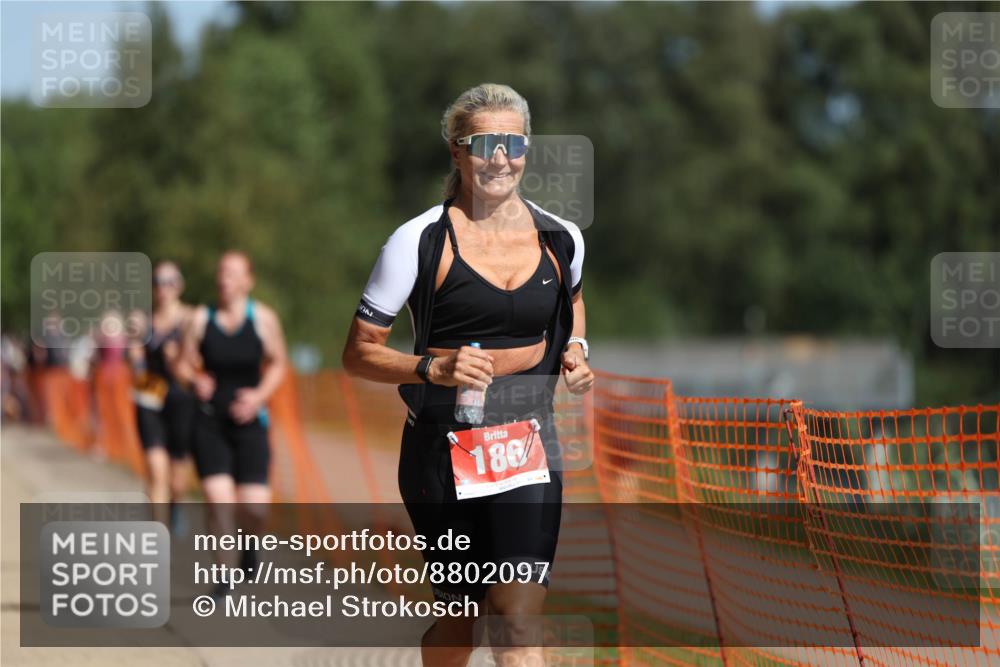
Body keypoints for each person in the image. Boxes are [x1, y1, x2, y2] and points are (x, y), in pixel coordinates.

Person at [342, 83, 593, 667]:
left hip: (527, 449)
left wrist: (575, 348)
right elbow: (357, 353)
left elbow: (573, 300)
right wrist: (433, 366)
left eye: (512, 142)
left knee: (518, 620)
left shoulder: (561, 238)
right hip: (441, 452)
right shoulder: (418, 241)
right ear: (457, 152)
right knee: (462, 623)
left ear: (527, 148)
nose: (499, 156)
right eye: (483, 143)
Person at [178, 251, 288, 597]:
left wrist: (258, 397)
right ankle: (223, 576)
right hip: (210, 422)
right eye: (221, 271)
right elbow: (181, 364)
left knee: (253, 510)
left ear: (247, 281)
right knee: (217, 500)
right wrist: (194, 380)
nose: (223, 278)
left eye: (232, 273)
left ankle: (249, 546)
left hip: (250, 424)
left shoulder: (263, 320)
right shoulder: (199, 318)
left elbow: (278, 364)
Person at [128, 261, 197, 525]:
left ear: (180, 285)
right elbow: (135, 358)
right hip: (149, 392)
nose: (163, 288)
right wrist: (137, 360)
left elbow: (199, 359)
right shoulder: (142, 320)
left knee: (177, 480)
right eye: (158, 281)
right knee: (157, 471)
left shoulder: (191, 318)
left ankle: (175, 502)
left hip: (181, 395)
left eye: (169, 281)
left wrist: (179, 358)